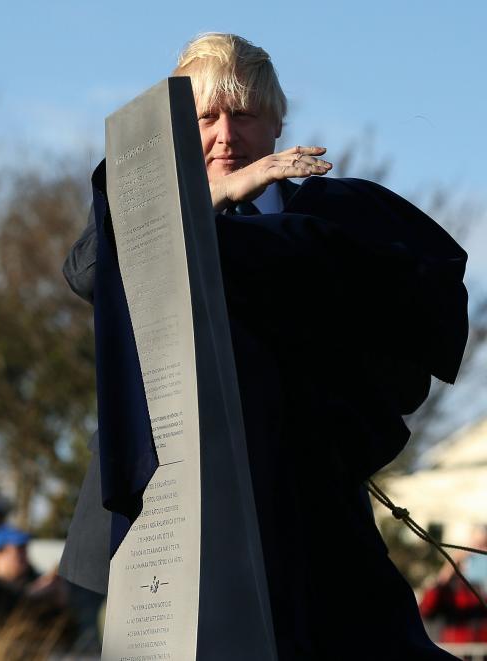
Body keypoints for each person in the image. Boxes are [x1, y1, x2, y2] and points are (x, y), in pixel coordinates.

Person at [61, 33, 468, 659]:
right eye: (205, 117)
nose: (226, 135)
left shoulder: (332, 215)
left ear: (277, 123)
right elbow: (88, 272)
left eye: (244, 114)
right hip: (157, 521)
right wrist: (204, 204)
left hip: (303, 511)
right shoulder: (132, 214)